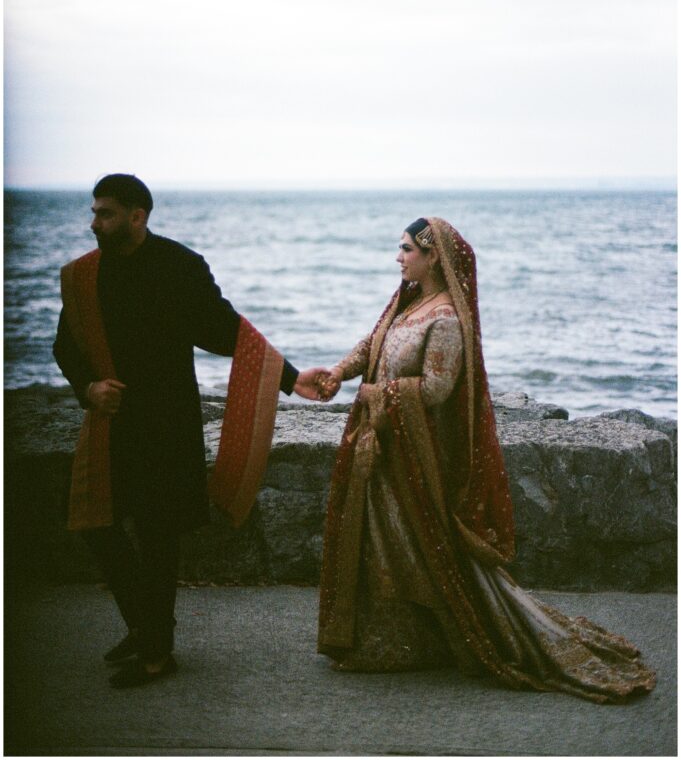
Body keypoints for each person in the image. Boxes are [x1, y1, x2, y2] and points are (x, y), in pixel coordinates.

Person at [316, 217, 656, 703]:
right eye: (400, 248)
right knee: (383, 540)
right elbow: (375, 341)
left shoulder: (447, 318)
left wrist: (375, 394)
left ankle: (437, 638)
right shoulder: (407, 299)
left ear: (434, 257)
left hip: (415, 455)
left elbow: (436, 389)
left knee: (420, 542)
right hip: (384, 444)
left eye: (407, 249)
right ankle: (385, 638)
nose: (399, 257)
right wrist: (340, 372)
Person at [53, 173, 324, 689]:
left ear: (138, 216)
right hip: (109, 422)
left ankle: (156, 653)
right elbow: (64, 348)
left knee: (157, 536)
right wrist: (88, 389)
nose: (95, 223)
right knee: (94, 525)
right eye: (93, 213)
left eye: (106, 214)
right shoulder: (84, 277)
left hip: (166, 425)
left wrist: (291, 378)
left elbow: (225, 330)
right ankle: (146, 627)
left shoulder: (180, 267)